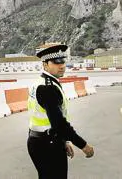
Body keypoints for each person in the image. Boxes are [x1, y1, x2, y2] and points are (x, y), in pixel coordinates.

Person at [27, 43, 95, 179]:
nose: (62, 65)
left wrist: (64, 141)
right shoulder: (48, 88)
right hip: (48, 145)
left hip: (40, 141)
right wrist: (83, 145)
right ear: (45, 65)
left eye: (63, 61)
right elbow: (59, 124)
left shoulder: (42, 82)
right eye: (56, 62)